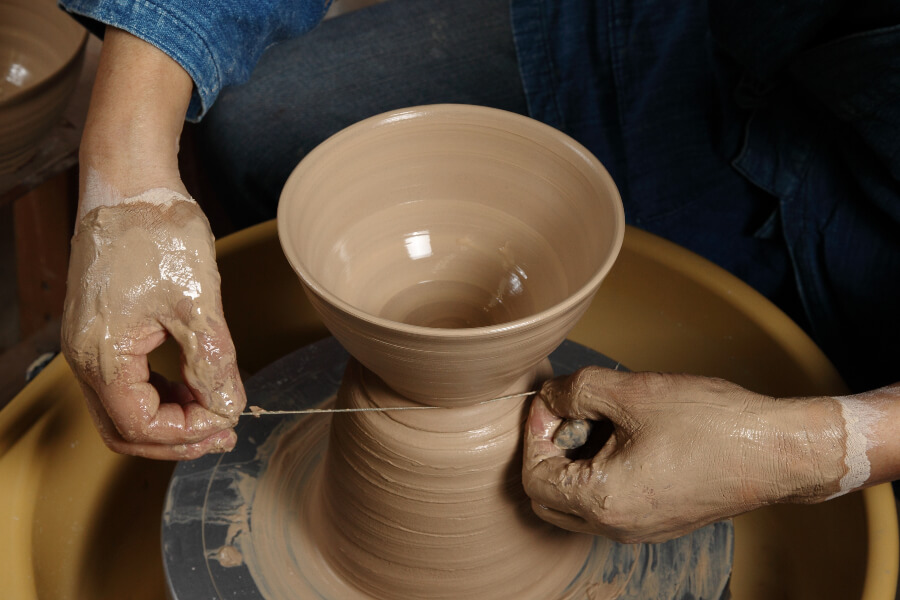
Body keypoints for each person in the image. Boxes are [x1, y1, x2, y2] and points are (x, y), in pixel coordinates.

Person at [58, 0, 899, 541]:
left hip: (875, 248)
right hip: (731, 50)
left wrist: (807, 448)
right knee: (253, 125)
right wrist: (125, 178)